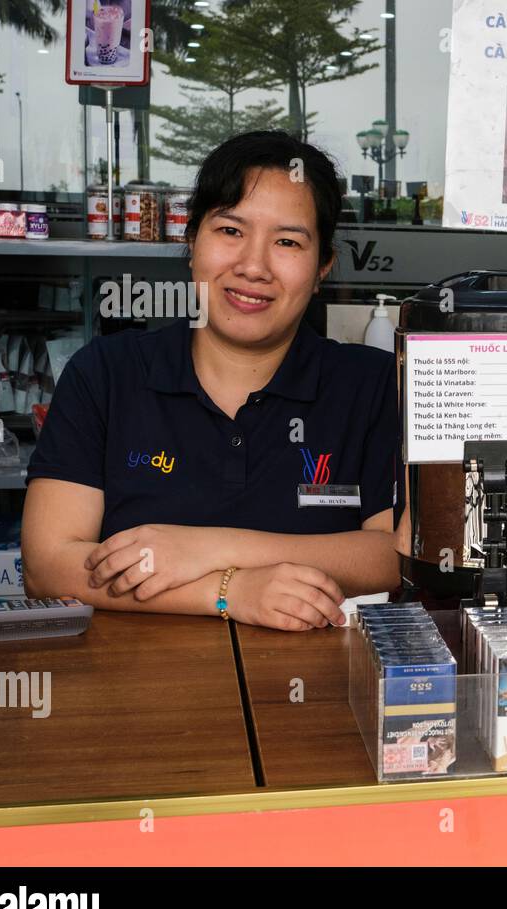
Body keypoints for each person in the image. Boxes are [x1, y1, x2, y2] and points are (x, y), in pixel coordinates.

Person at [22, 130, 401, 631]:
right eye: (230, 231)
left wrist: (205, 546)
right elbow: (47, 566)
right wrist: (228, 591)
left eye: (287, 241)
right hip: (133, 694)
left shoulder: (372, 387)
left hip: (317, 692)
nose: (253, 266)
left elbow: (393, 559)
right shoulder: (107, 374)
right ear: (192, 239)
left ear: (322, 266)